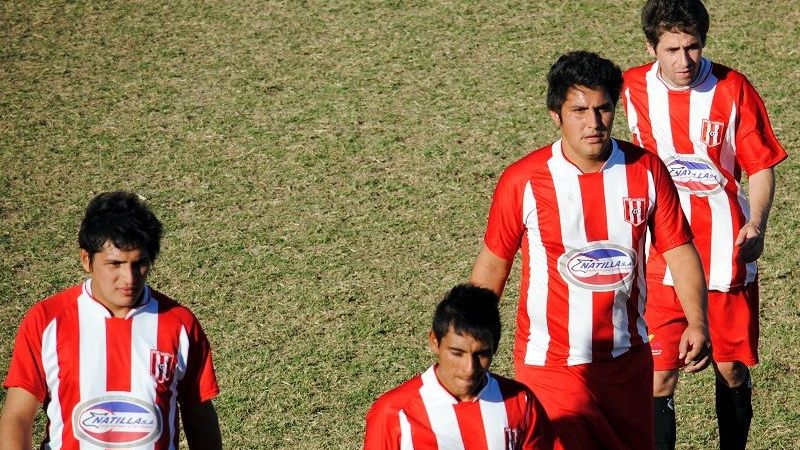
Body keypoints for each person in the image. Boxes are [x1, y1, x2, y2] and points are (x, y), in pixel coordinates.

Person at [469, 51, 711, 450]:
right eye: (579, 111)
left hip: (628, 363)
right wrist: (469, 343)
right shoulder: (523, 180)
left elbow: (680, 251)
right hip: (551, 368)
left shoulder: (647, 170)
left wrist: (698, 322)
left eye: (603, 109)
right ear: (556, 115)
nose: (594, 123)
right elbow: (494, 266)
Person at [621, 1, 788, 449]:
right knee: (659, 375)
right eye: (672, 49)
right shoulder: (631, 87)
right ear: (651, 47)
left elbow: (761, 165)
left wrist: (757, 224)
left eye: (692, 47)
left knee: (730, 368)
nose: (684, 60)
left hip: (724, 252)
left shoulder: (733, 89)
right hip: (659, 256)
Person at [0, 192, 222, 450]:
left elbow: (198, 412)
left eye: (139, 264)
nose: (129, 278)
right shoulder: (47, 320)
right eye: (115, 264)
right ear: (86, 259)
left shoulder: (179, 324)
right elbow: (17, 416)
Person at [363, 284, 556, 450]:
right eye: (457, 353)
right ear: (434, 341)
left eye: (481, 354)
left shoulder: (520, 401)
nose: (469, 368)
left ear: (495, 347)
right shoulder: (393, 413)